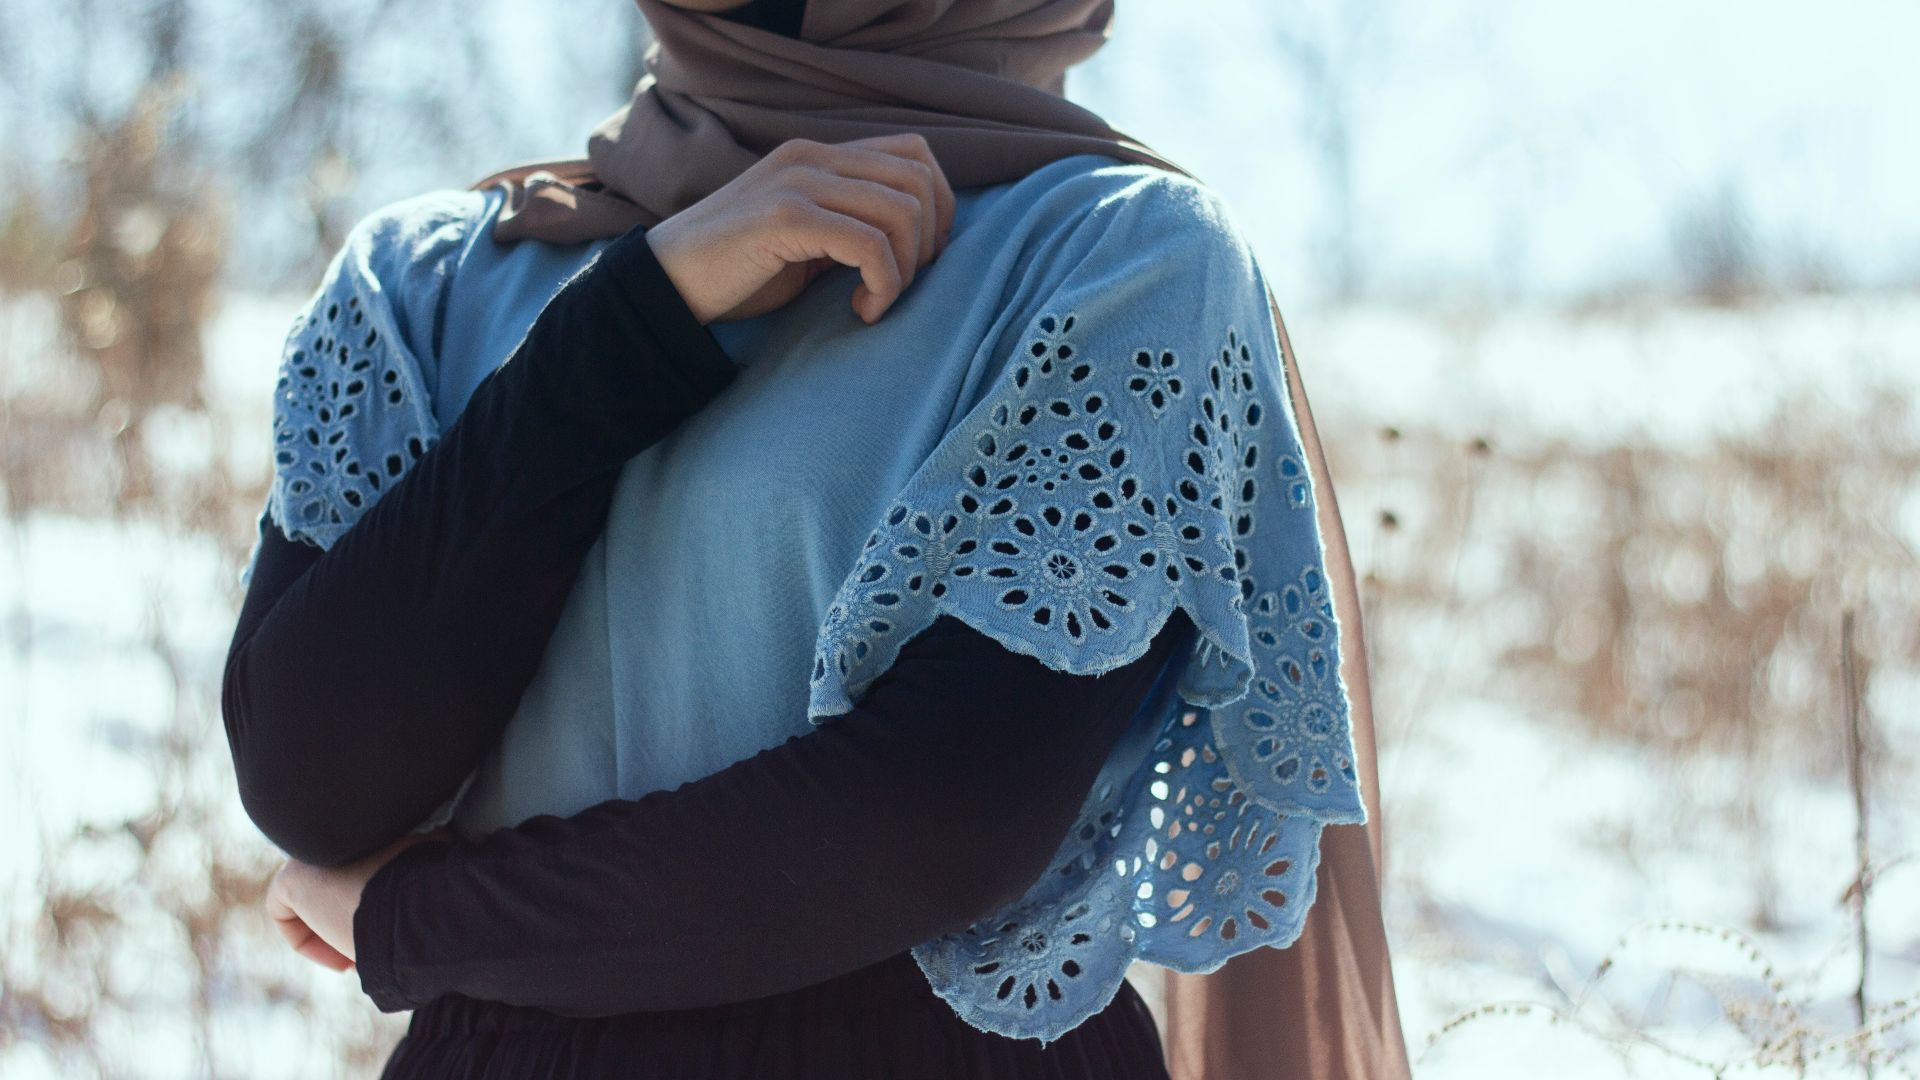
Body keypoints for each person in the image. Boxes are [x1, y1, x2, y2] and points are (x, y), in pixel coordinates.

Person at [220, 0, 1411, 1076]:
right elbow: (316, 782)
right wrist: (638, 314)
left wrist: (416, 923)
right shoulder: (423, 280)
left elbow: (933, 822)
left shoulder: (1120, 257)